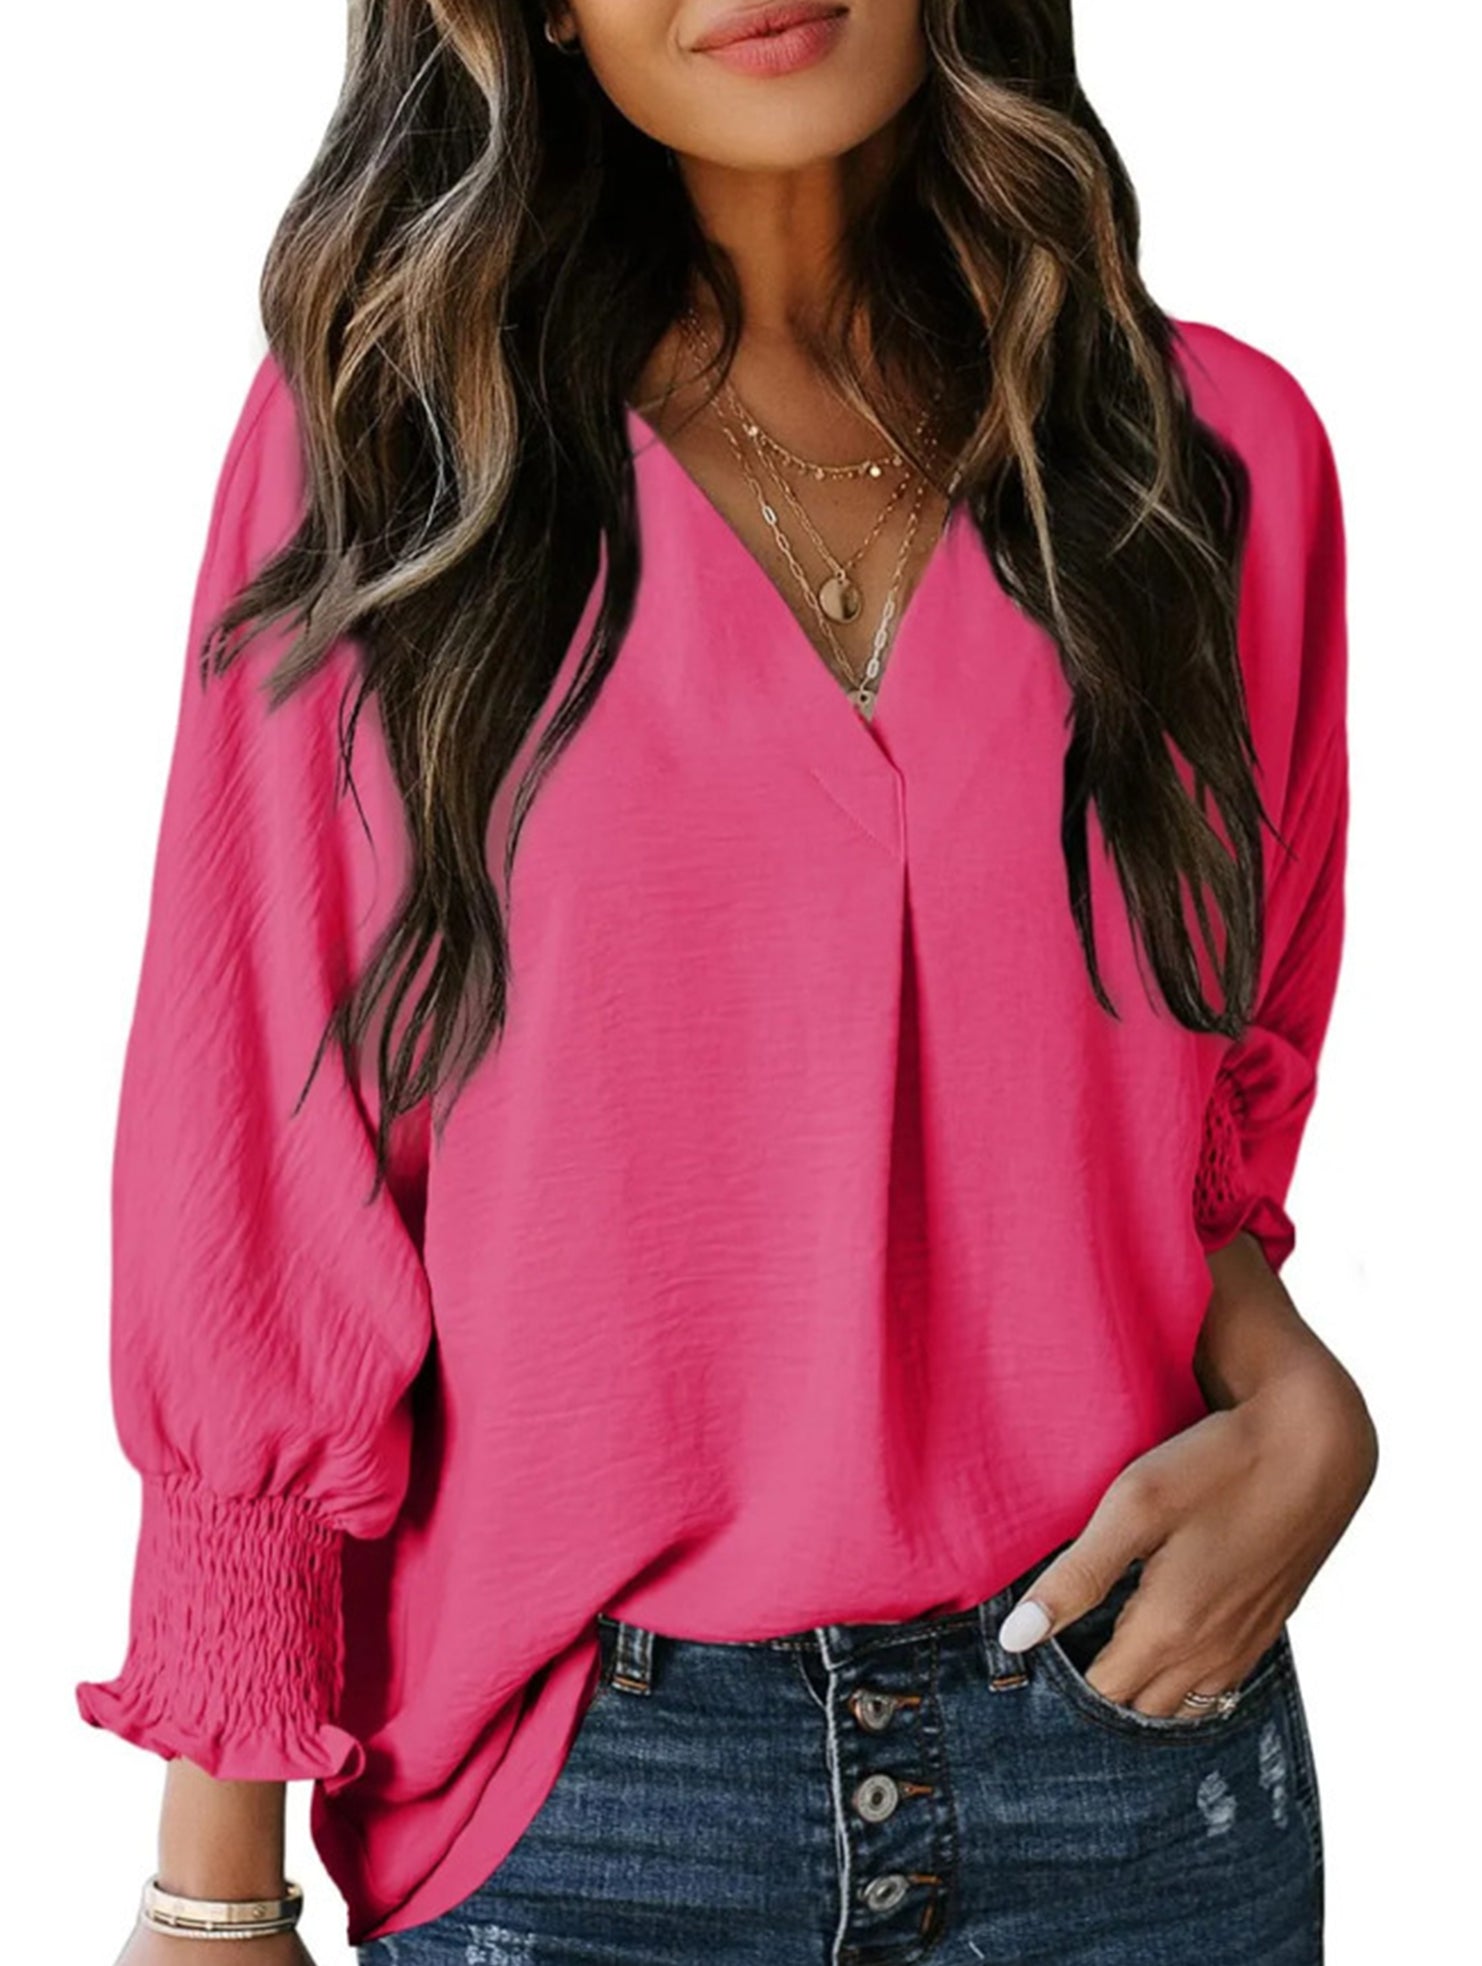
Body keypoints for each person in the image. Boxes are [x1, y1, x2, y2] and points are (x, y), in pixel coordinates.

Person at [77, 2, 1378, 1961]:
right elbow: (262, 1147)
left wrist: (1301, 1401)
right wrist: (211, 1884)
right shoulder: (403, 443)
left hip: (1139, 1750)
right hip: (599, 1805)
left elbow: (1195, 1127)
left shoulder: (1210, 460)